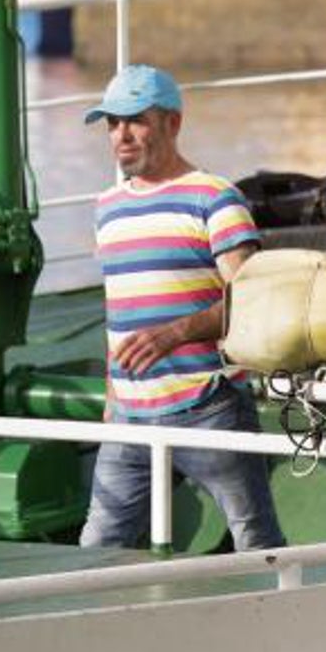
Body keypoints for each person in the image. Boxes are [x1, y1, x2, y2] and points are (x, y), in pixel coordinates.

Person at [79, 63, 285, 551]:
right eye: (112, 123)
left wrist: (175, 334)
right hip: (129, 416)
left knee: (255, 537)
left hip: (207, 405)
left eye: (135, 120)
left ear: (173, 123)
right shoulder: (107, 207)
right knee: (96, 545)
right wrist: (113, 398)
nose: (121, 136)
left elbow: (249, 304)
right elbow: (119, 311)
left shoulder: (216, 199)